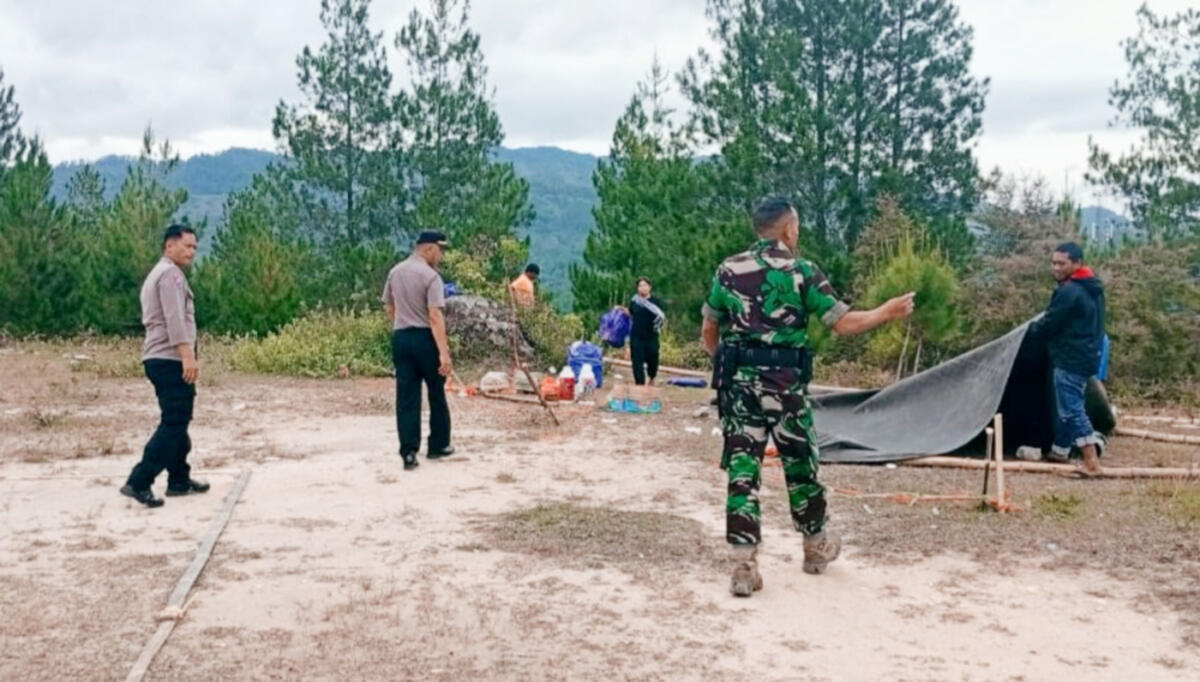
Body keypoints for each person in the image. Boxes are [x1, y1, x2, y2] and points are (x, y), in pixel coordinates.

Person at [701, 197, 915, 597]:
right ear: (789, 230)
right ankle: (815, 547)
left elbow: (709, 327)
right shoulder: (803, 272)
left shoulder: (728, 269)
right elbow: (843, 323)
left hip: (741, 388)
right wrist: (886, 311)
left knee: (743, 470)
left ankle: (744, 564)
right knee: (801, 465)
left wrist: (725, 367)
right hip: (786, 387)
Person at [120, 224, 210, 508]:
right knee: (173, 423)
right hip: (169, 358)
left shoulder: (161, 273)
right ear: (169, 245)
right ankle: (139, 481)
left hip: (161, 358)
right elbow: (174, 319)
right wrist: (187, 355)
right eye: (187, 246)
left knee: (178, 421)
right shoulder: (170, 275)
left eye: (195, 247)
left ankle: (179, 480)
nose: (192, 252)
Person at [1028, 241, 1106, 474]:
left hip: (1070, 357)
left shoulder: (1070, 291)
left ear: (1076, 263)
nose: (1056, 268)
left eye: (1062, 263)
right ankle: (1060, 450)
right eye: (1053, 263)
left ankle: (1091, 462)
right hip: (1086, 355)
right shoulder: (1093, 289)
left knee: (1072, 408)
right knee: (1066, 403)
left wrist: (1029, 331)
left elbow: (1050, 323)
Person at [382, 231, 455, 471]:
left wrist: (399, 326)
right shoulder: (431, 277)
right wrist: (444, 353)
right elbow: (435, 315)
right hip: (425, 338)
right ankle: (438, 445)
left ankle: (409, 452)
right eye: (440, 250)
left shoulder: (395, 272)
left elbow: (389, 307)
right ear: (429, 249)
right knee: (436, 391)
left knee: (406, 397)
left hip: (401, 337)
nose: (441, 256)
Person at [629, 277, 665, 385]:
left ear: (649, 287)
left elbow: (661, 317)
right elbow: (630, 315)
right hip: (636, 336)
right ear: (637, 288)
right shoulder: (634, 301)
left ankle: (652, 377)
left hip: (651, 336)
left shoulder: (655, 302)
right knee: (637, 362)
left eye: (645, 285)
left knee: (653, 358)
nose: (642, 288)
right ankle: (639, 383)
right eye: (640, 286)